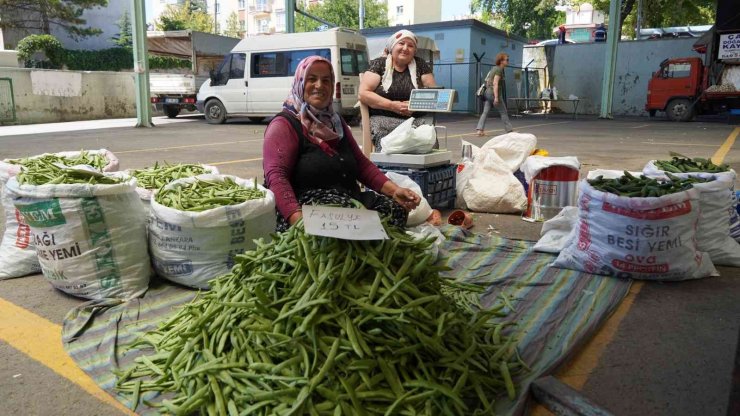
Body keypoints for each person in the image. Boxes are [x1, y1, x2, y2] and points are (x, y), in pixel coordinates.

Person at [263, 56, 421, 232]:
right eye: (311, 79)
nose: (319, 85)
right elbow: (276, 177)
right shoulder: (285, 124)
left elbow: (361, 165)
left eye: (326, 80)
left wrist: (394, 190)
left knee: (395, 210)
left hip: (346, 199)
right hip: (307, 207)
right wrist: (297, 218)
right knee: (351, 221)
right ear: (300, 82)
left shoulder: (336, 122)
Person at [359, 29, 438, 152]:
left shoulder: (420, 65)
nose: (405, 48)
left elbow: (434, 93)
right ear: (392, 46)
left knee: (428, 136)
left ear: (415, 51)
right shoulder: (379, 64)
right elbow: (364, 93)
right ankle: (386, 169)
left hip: (413, 120)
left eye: (410, 45)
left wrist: (415, 105)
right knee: (387, 138)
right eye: (401, 43)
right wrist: (392, 105)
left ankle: (422, 171)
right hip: (381, 118)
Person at [475, 52, 513, 136]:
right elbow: (495, 83)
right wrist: (496, 97)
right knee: (503, 112)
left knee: (485, 112)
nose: (508, 61)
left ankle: (479, 130)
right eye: (507, 59)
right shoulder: (499, 70)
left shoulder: (494, 68)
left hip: (488, 93)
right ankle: (509, 131)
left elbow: (488, 81)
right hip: (494, 94)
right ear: (501, 61)